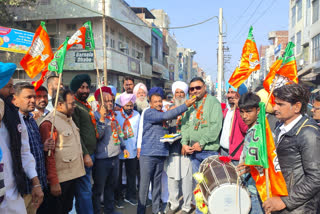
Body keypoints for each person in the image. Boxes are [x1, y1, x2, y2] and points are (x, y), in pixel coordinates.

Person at [263, 84, 320, 214]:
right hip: (279, 200)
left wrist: (286, 201)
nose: (275, 108)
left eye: (280, 104)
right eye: (275, 103)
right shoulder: (279, 126)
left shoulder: (308, 133)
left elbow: (316, 177)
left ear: (297, 107)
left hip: (299, 208)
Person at [137, 89, 196, 214]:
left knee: (157, 185)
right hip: (148, 155)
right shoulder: (149, 113)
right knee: (144, 185)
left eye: (160, 101)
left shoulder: (162, 112)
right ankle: (140, 211)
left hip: (161, 154)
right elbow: (165, 116)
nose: (158, 104)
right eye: (155, 102)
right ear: (150, 103)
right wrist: (185, 105)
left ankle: (156, 210)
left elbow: (168, 124)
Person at [0, 63, 41, 214]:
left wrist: (36, 183)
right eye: (8, 87)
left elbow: (25, 151)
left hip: (13, 192)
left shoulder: (15, 115)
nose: (12, 91)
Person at [39, 89, 85, 214]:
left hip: (71, 177)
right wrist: (53, 182)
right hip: (60, 181)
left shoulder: (68, 118)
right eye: (71, 104)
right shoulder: (49, 123)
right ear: (60, 104)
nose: (74, 106)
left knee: (66, 209)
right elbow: (49, 156)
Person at [13, 82, 54, 214]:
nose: (33, 100)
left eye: (33, 97)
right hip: (26, 188)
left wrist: (44, 146)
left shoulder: (30, 119)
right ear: (15, 100)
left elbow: (31, 150)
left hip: (40, 183)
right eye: (28, 97)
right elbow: (21, 154)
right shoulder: (14, 122)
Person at [92, 87, 129, 214]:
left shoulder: (113, 116)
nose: (110, 104)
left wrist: (123, 147)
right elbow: (98, 136)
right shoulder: (95, 116)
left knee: (111, 187)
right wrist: (102, 119)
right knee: (98, 189)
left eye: (111, 101)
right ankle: (97, 211)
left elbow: (118, 133)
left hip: (115, 157)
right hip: (102, 159)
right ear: (99, 103)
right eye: (106, 101)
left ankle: (109, 210)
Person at [70, 74, 97, 214]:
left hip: (91, 154)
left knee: (86, 189)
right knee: (85, 190)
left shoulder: (85, 106)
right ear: (75, 89)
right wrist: (85, 154)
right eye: (82, 87)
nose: (86, 90)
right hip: (83, 156)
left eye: (87, 87)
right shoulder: (75, 107)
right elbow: (76, 133)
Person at [165, 81, 193, 214]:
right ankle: (174, 203)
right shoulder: (169, 108)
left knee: (187, 179)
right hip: (172, 148)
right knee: (172, 178)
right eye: (177, 92)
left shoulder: (191, 108)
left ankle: (187, 205)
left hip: (186, 148)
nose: (180, 95)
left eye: (182, 92)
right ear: (173, 94)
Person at [237, 92, 264, 214]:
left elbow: (265, 160)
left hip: (257, 188)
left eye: (248, 112)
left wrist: (252, 165)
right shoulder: (251, 129)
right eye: (242, 112)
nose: (244, 116)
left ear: (258, 111)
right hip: (248, 185)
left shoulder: (261, 132)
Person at [115, 93, 140, 206]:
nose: (129, 108)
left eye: (131, 105)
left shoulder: (137, 115)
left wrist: (139, 147)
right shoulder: (116, 115)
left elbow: (140, 132)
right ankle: (118, 197)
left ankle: (130, 196)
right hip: (119, 149)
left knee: (131, 174)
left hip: (132, 149)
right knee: (118, 175)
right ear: (122, 105)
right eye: (127, 106)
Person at [220, 83, 248, 165]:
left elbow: (245, 128)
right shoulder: (227, 110)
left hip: (236, 155)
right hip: (224, 152)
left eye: (233, 92)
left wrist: (239, 109)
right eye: (229, 92)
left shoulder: (244, 110)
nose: (230, 95)